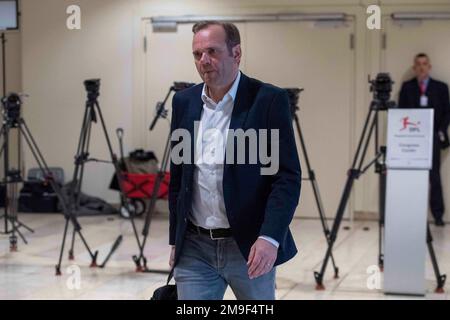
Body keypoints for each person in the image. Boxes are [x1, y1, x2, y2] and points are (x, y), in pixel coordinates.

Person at [167, 21, 301, 300]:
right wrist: (174, 239)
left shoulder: (268, 100)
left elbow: (285, 178)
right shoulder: (184, 101)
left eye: (212, 51)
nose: (204, 61)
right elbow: (179, 177)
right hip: (194, 247)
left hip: (249, 246)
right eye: (197, 54)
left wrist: (270, 237)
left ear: (236, 53)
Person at [398, 53, 450, 226]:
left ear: (430, 66)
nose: (421, 67)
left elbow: (447, 113)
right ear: (414, 68)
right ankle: (413, 214)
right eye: (418, 64)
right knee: (413, 177)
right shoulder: (407, 87)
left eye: (425, 64)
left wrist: (440, 132)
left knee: (434, 176)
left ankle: (438, 215)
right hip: (413, 139)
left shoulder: (441, 88)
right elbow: (401, 113)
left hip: (433, 138)